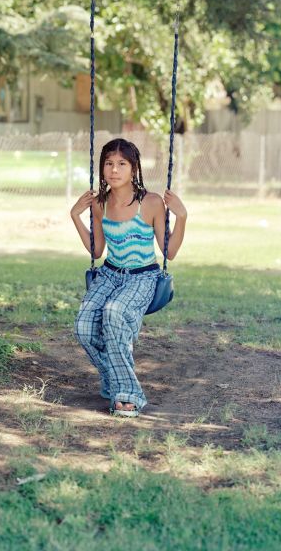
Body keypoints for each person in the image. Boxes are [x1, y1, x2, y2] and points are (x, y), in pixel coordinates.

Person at [69, 138, 187, 417]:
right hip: (109, 274)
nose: (114, 169)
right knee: (84, 327)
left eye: (122, 164)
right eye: (109, 163)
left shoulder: (152, 203)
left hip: (143, 277)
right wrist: (75, 215)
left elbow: (169, 253)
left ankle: (129, 393)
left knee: (114, 312)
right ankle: (117, 379)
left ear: (134, 169)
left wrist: (181, 216)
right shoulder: (100, 203)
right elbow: (97, 250)